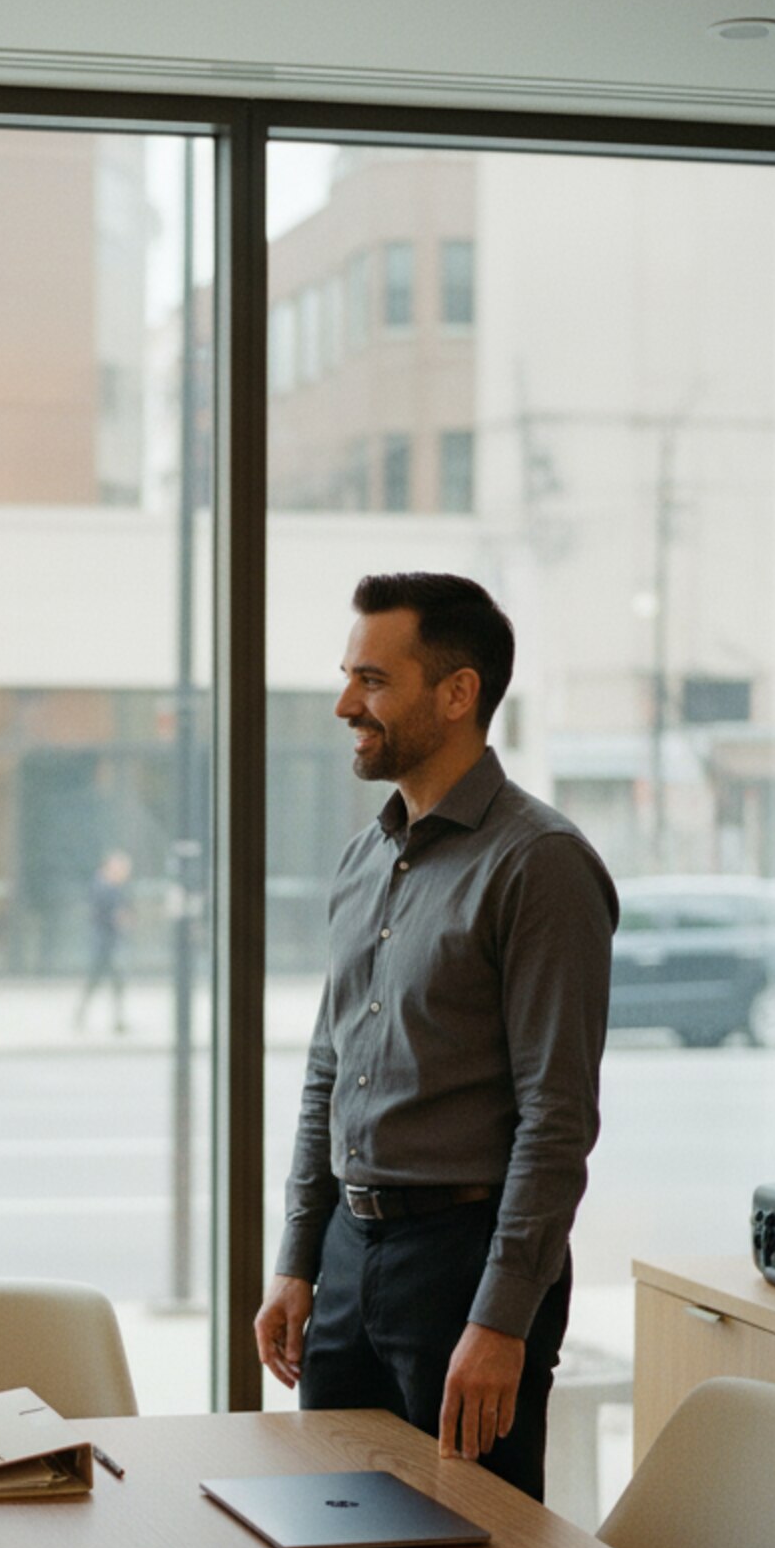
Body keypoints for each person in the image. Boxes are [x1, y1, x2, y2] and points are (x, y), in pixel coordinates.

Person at [255, 573, 616, 1501]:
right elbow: (328, 1070)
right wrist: (299, 1259)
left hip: (465, 1264)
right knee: (334, 1535)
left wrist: (501, 1320)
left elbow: (557, 1118)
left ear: (458, 694)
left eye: (372, 681)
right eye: (348, 677)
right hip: (349, 1253)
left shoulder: (541, 864)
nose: (346, 705)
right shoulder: (363, 857)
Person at [75, 849, 134, 1035]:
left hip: (111, 941)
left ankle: (116, 1019)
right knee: (97, 980)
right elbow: (101, 913)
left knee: (115, 982)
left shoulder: (115, 887)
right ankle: (82, 1014)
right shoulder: (101, 886)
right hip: (103, 942)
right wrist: (118, 918)